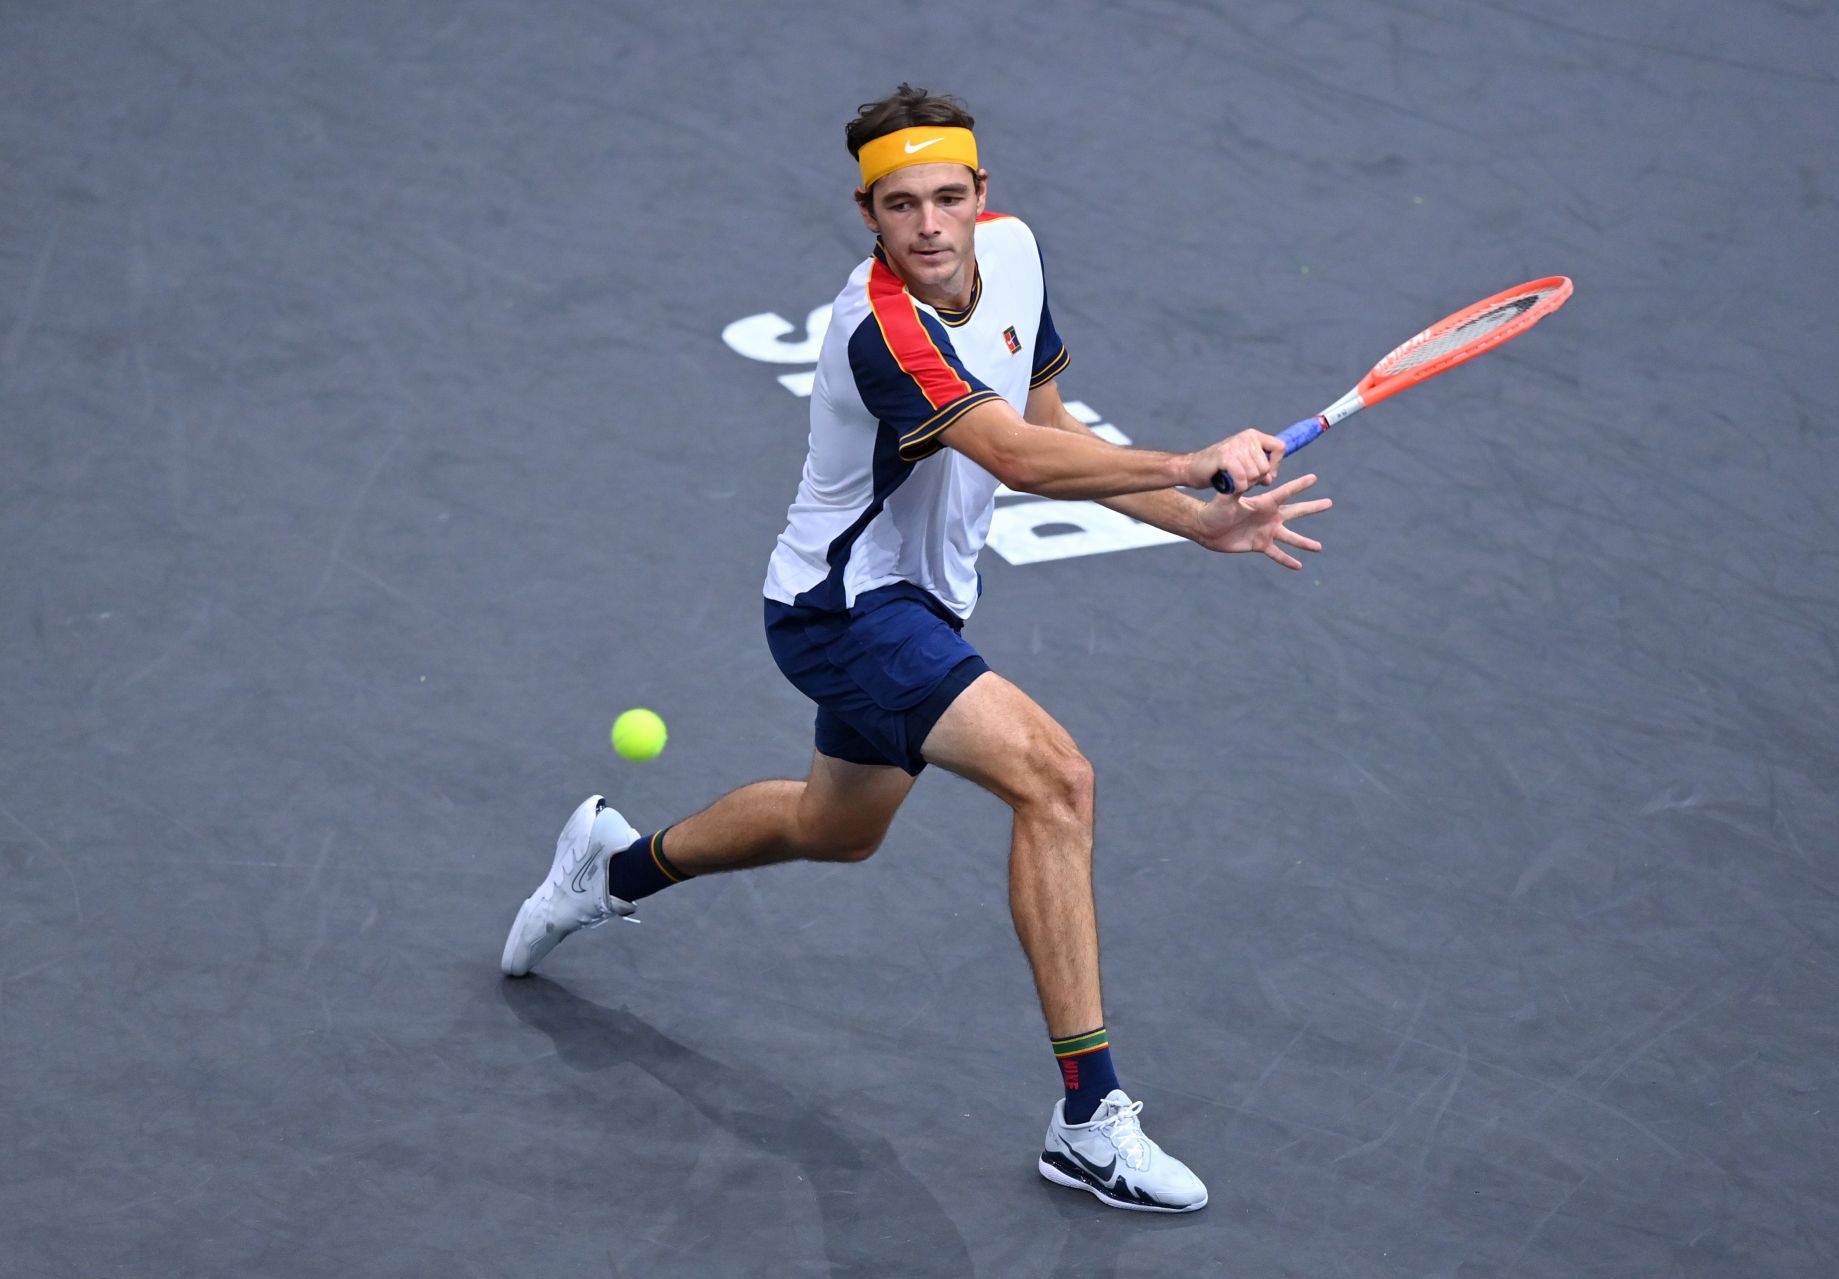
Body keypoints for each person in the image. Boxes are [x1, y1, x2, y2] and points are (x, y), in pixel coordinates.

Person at [502, 84, 1331, 1214]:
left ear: (985, 196)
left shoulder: (1020, 257)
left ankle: (606, 869)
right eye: (902, 206)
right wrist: (1189, 463)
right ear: (869, 216)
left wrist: (1200, 520)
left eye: (949, 198)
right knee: (1057, 780)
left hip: (923, 606)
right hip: (842, 609)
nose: (930, 226)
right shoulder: (881, 328)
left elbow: (1049, 427)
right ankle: (1090, 1117)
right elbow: (1021, 464)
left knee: (832, 828)